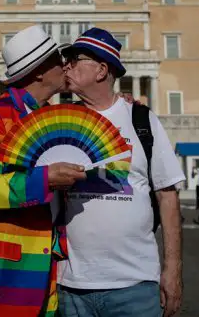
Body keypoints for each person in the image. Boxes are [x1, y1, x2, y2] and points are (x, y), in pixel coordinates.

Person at [0, 25, 89, 317]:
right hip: (1, 273)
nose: (65, 66)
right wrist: (45, 179)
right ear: (40, 71)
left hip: (48, 273)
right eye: (57, 60)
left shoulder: (52, 118)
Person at [57, 28, 186, 317]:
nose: (66, 66)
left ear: (102, 70)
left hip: (135, 284)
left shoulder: (142, 119)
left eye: (75, 59)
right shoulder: (58, 121)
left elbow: (167, 195)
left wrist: (173, 270)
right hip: (71, 285)